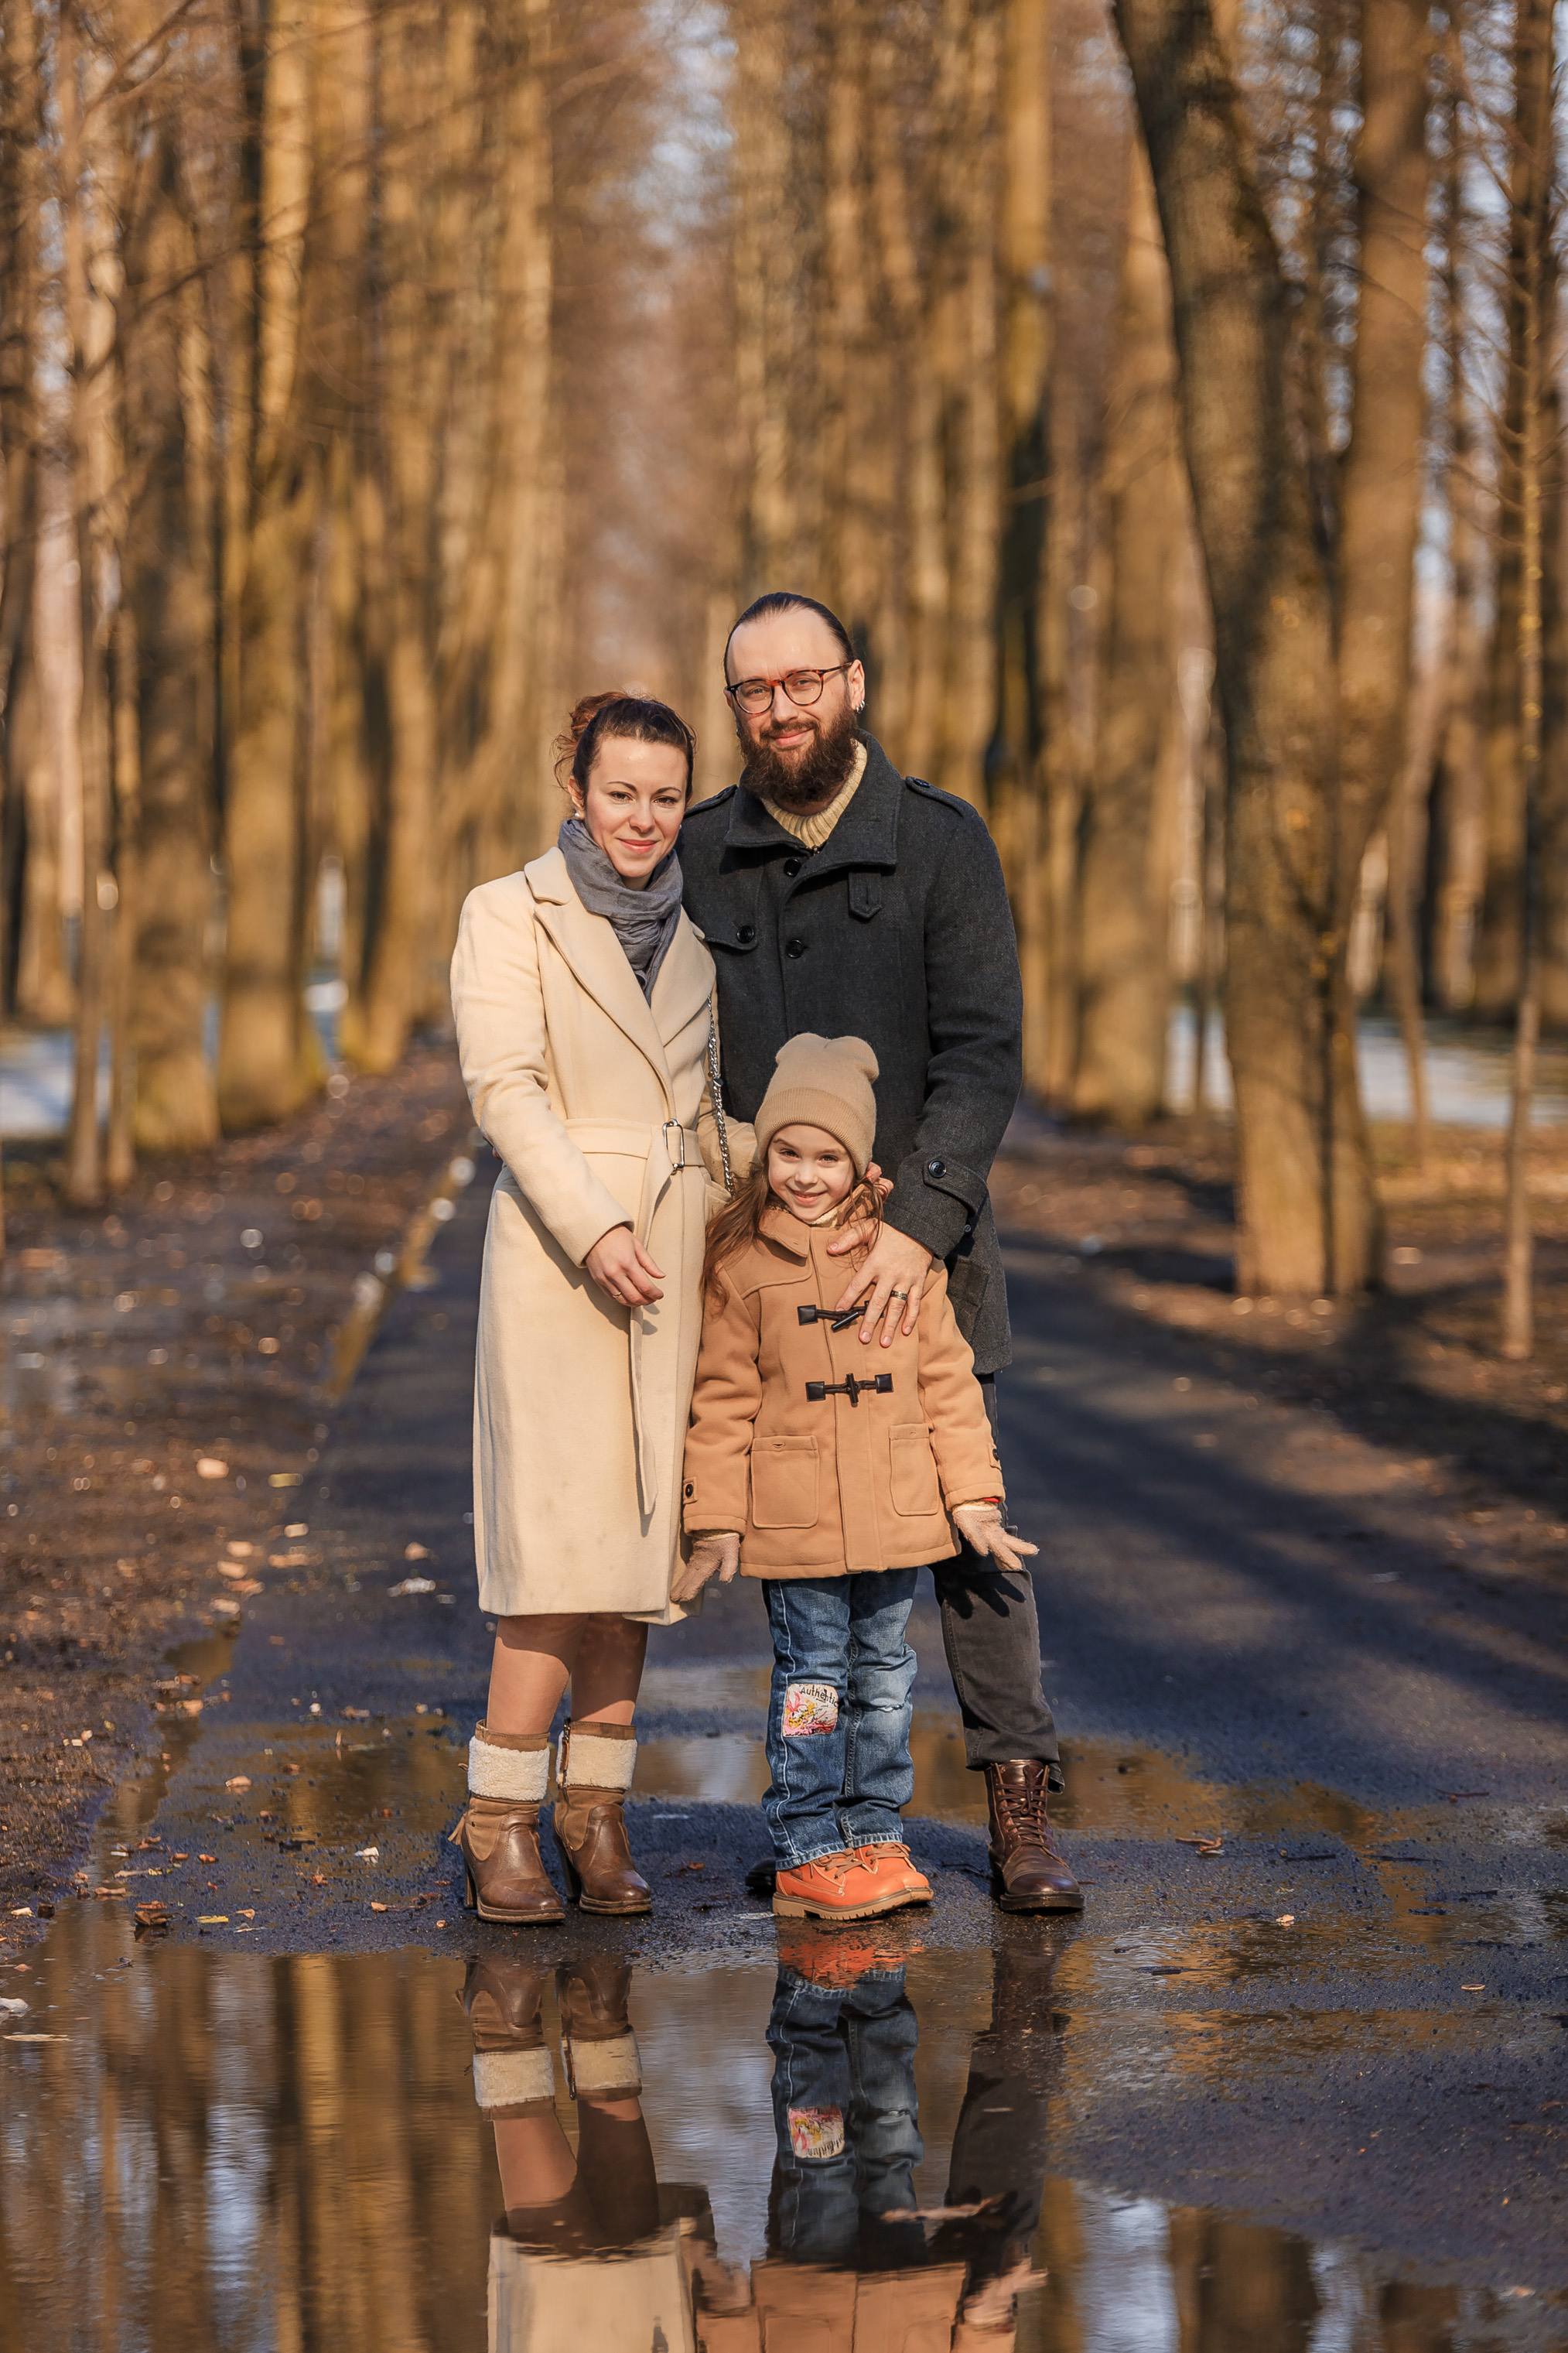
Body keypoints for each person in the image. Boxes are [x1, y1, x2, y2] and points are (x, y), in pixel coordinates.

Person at [680, 590, 1082, 1913]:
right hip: (765, 1270)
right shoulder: (702, 855)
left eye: (804, 680)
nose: (781, 707)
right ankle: (823, 1822)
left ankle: (1018, 1806)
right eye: (755, 690)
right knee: (798, 1554)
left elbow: (982, 1051)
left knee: (968, 1538)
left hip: (926, 1251)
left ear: (851, 682)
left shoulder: (939, 843)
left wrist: (922, 1220)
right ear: (735, 705)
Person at [448, 690, 732, 1924]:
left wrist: (796, 1164)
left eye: (665, 797)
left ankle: (594, 1811)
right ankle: (497, 1818)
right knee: (551, 1553)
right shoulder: (507, 913)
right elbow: (503, 1085)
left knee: (634, 1558)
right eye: (619, 791)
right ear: (577, 788)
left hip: (673, 1251)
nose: (642, 818)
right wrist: (595, 1222)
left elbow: (708, 1115)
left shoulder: (697, 937)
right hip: (562, 1259)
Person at [677, 1034, 1034, 1923]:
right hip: (797, 1522)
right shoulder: (741, 1261)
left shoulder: (898, 1255)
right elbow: (719, 1401)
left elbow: (947, 1385)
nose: (804, 1174)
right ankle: (805, 1842)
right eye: (787, 1152)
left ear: (859, 1159)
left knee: (882, 1675)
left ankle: (873, 1828)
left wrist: (974, 1498)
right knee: (811, 1679)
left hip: (893, 1511)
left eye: (826, 1156)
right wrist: (713, 1521)